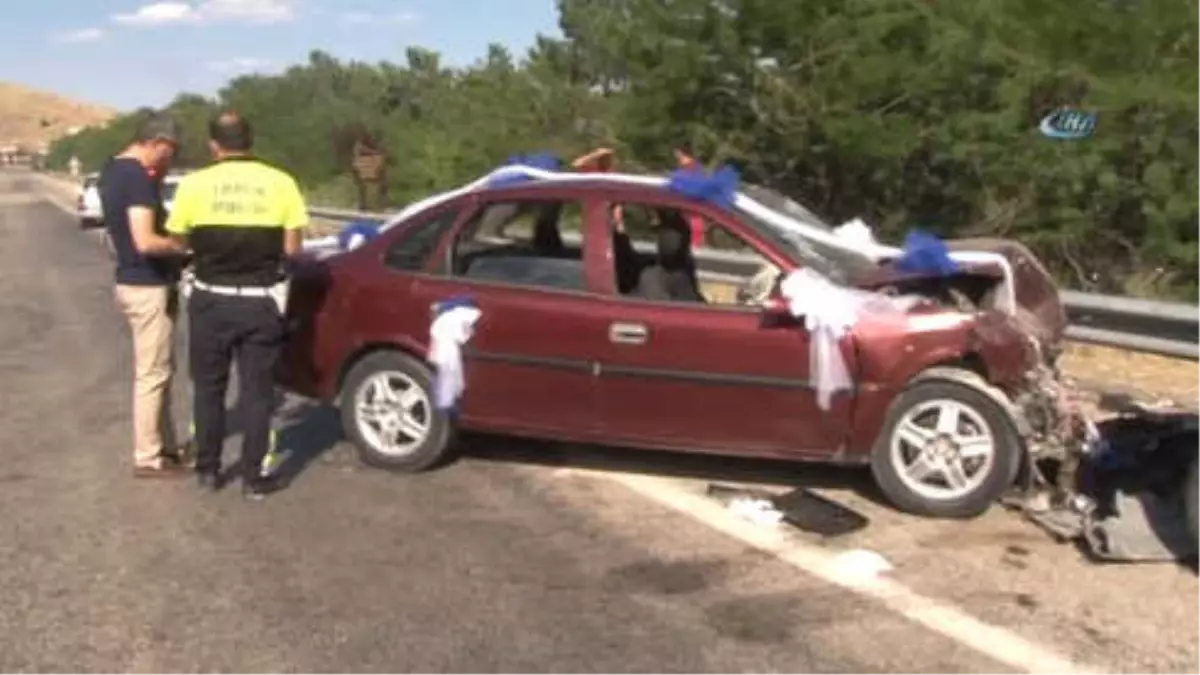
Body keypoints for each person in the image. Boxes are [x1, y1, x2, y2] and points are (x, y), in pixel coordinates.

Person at [164, 111, 308, 500]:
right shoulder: (281, 183)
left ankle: (208, 471)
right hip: (261, 302)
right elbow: (293, 249)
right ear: (250, 140)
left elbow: (177, 242)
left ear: (214, 145)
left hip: (211, 300)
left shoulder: (194, 185)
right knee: (259, 393)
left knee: (209, 389)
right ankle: (253, 478)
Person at [101, 112, 191, 478]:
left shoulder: (112, 170)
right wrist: (181, 247)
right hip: (146, 284)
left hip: (132, 281)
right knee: (152, 374)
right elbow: (145, 240)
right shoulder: (137, 178)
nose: (169, 159)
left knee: (159, 370)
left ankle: (165, 447)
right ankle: (149, 456)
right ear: (158, 143)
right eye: (169, 152)